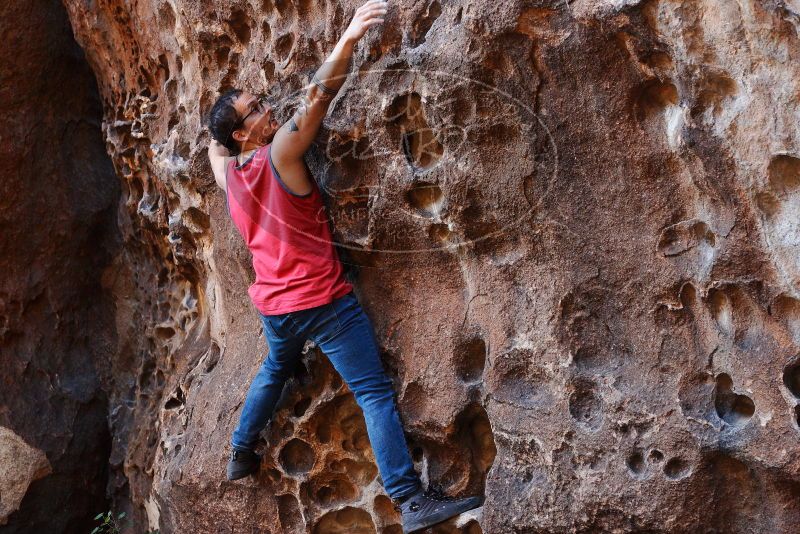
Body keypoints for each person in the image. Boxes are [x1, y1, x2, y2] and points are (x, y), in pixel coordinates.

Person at [204, 1, 482, 531]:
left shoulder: (230, 177)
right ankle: (410, 502)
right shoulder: (282, 152)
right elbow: (318, 98)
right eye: (255, 109)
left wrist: (221, 135)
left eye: (261, 102)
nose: (267, 109)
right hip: (325, 302)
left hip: (276, 309)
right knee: (373, 393)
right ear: (244, 134)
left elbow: (214, 150)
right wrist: (349, 38)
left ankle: (241, 450)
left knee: (275, 367)